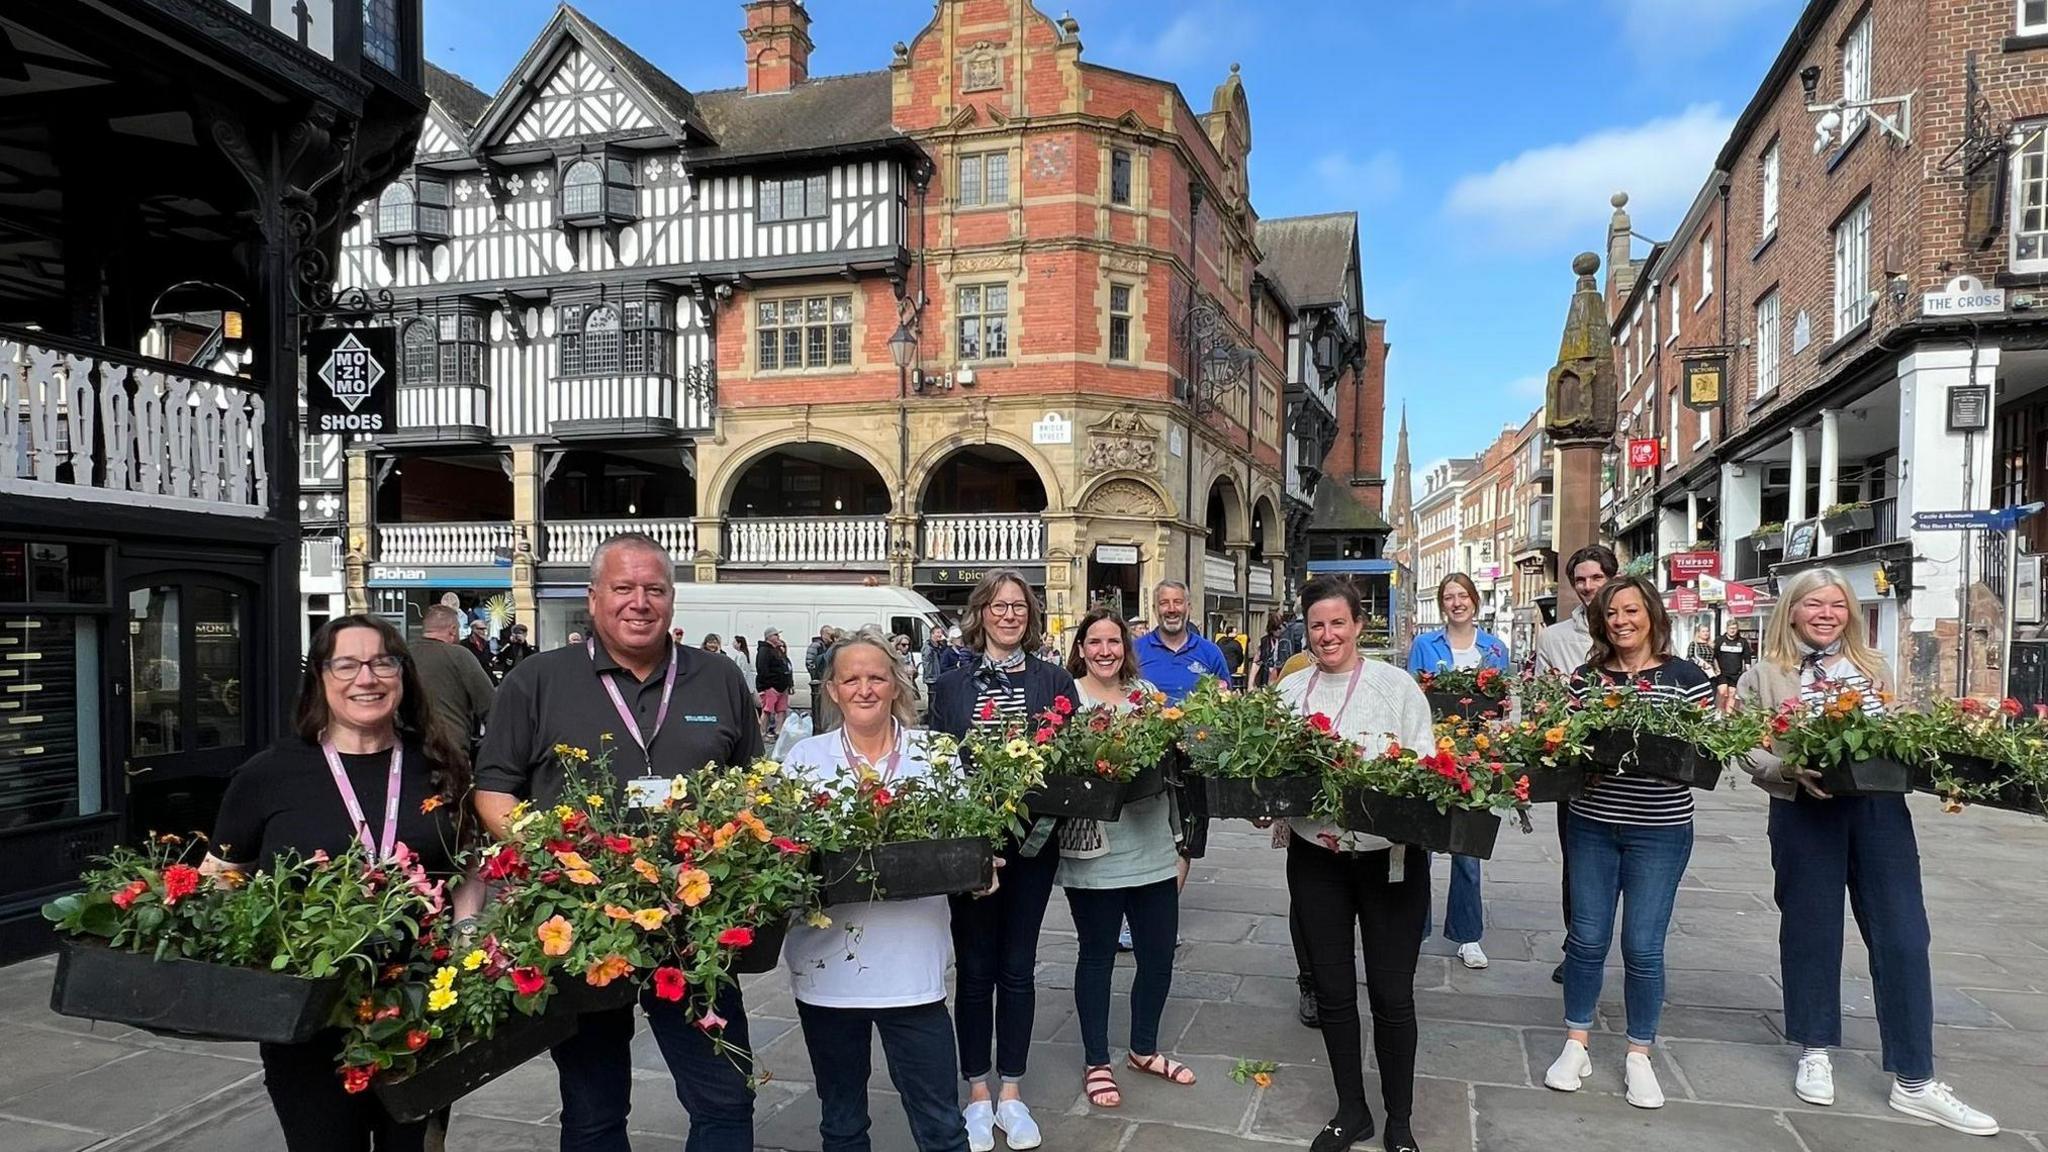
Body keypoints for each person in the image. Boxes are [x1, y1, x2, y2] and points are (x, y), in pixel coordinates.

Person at [473, 533, 764, 1152]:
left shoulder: (719, 679)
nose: (639, 602)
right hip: (580, 928)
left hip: (693, 927)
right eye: (624, 588)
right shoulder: (537, 680)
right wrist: (562, 859)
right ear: (594, 597)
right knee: (594, 1108)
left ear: (672, 598)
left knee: (725, 1096)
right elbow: (493, 792)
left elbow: (750, 791)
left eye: (653, 589)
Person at [1734, 570, 1997, 1135]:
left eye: (1837, 605)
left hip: (1879, 812)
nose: (1826, 613)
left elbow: (1899, 730)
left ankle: (1916, 1079)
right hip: (1805, 812)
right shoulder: (1766, 674)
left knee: (1903, 934)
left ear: (1850, 612)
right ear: (1793, 611)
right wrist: (1785, 769)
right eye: (1813, 604)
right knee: (1811, 930)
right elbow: (1746, 751)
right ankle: (1815, 1048)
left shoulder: (1875, 666)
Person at [204, 615, 472, 1152]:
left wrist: (465, 945)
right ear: (319, 679)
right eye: (346, 664)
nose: (365, 678)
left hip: (421, 1009)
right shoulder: (269, 774)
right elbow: (221, 877)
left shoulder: (441, 764)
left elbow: (468, 869)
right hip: (309, 1017)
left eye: (382, 662)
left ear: (403, 674)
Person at [780, 631, 973, 1152]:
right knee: (841, 1119)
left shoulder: (934, 752)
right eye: (851, 679)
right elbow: (783, 850)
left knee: (941, 1121)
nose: (864, 688)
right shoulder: (805, 759)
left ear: (896, 685)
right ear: (833, 690)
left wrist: (981, 865)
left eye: (876, 677)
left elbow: (963, 839)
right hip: (826, 967)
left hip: (912, 966)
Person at [1277, 576, 1434, 1152]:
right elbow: (1270, 774)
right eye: (1317, 625)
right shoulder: (1289, 694)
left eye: (1338, 622)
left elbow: (1426, 769)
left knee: (1393, 995)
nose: (1327, 635)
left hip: (1388, 860)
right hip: (1316, 858)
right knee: (1334, 989)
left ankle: (1399, 1120)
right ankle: (1352, 1110)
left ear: (1359, 625)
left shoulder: (1397, 687)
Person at [1542, 575, 1709, 1111]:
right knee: (1587, 940)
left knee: (1642, 945)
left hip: (1659, 829)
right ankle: (1577, 1043)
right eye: (1612, 614)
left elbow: (1706, 751)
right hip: (1592, 823)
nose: (1621, 622)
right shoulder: (1587, 679)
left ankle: (1639, 1053)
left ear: (1651, 615)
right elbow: (1567, 743)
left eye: (1631, 611)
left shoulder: (1687, 678)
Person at [927, 569, 1079, 1152]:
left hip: (1033, 846)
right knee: (974, 968)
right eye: (998, 605)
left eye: (1019, 606)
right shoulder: (951, 683)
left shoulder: (1053, 678)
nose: (1009, 614)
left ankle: (1011, 1091)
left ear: (1031, 615)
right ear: (980, 612)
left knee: (1018, 966)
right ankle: (976, 1094)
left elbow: (1067, 760)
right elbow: (940, 766)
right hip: (970, 847)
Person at [1059, 609, 1194, 1110]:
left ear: (1125, 647)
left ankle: (1143, 1048)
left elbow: (1175, 772)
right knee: (1096, 957)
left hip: (1153, 845)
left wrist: (1184, 847)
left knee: (1157, 956)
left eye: (1113, 641)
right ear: (1081, 647)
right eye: (1094, 641)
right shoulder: (1068, 697)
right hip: (1094, 850)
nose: (1104, 650)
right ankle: (1097, 1061)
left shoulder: (1146, 697)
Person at [1405, 574, 1511, 972]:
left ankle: (1468, 935)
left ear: (1475, 601)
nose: (1456, 603)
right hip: (1433, 752)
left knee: (1468, 848)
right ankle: (1413, 930)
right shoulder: (1424, 646)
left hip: (1477, 754)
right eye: (1448, 597)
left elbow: (1502, 703)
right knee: (1423, 846)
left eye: (1462, 595)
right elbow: (1412, 695)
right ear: (1441, 604)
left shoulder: (1495, 648)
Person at [1530, 543, 1618, 984]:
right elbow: (1542, 702)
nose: (1587, 587)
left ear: (1611, 578)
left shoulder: (1636, 627)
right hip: (1578, 769)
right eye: (1580, 580)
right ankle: (1578, 945)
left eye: (1596, 578)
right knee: (1578, 860)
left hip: (1629, 770)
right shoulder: (1554, 638)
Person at [412, 603, 495, 751]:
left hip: (408, 751)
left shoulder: (405, 655)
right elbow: (490, 706)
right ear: (452, 630)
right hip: (450, 750)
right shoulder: (459, 656)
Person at [1131, 581, 1231, 703]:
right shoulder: (1135, 651)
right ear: (1154, 609)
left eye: (1178, 602)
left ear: (1188, 608)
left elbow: (1226, 701)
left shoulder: (1210, 652)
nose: (1171, 609)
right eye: (1164, 603)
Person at [757, 627, 795, 741]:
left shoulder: (778, 651)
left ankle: (779, 732)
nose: (778, 637)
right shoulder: (764, 651)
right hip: (771, 687)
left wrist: (789, 684)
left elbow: (787, 668)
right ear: (769, 637)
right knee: (767, 710)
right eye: (776, 635)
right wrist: (770, 685)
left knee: (781, 710)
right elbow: (762, 670)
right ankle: (762, 733)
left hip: (782, 687)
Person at [1714, 620, 1755, 713]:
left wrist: (1748, 672)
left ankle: (1728, 715)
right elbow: (1714, 656)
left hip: (1736, 672)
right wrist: (1717, 669)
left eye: (1734, 628)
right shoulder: (1720, 640)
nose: (1732, 631)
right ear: (1727, 629)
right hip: (1722, 672)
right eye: (1731, 628)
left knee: (1732, 694)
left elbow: (1747, 658)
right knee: (1723, 692)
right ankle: (1719, 712)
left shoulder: (1742, 642)